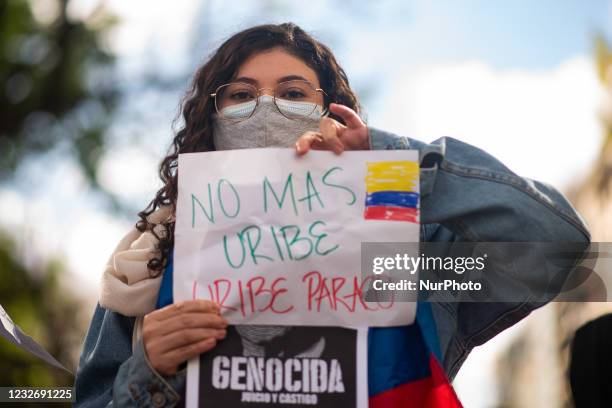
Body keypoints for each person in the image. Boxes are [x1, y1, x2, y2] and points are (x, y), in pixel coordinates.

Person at [74, 22, 590, 407]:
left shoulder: (400, 256)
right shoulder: (148, 261)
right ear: (212, 117)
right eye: (241, 95)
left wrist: (397, 168)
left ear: (333, 111)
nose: (266, 107)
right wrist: (148, 372)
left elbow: (558, 250)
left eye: (293, 93)